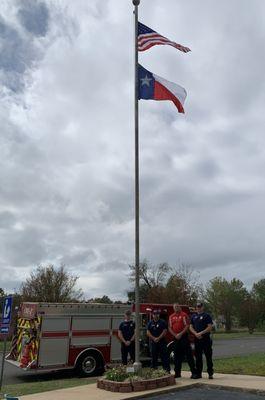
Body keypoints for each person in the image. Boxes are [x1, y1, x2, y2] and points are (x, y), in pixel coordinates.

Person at [169, 303, 197, 378]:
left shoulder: (184, 315)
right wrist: (175, 335)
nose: (176, 308)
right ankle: (177, 373)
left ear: (180, 307)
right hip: (176, 338)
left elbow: (187, 326)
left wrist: (180, 334)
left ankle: (193, 373)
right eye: (175, 307)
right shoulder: (171, 317)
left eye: (177, 306)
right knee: (177, 356)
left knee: (189, 355)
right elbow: (170, 327)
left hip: (184, 337)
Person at [190, 302, 214, 379]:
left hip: (205, 339)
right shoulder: (193, 316)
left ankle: (210, 373)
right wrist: (196, 334)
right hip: (197, 339)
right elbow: (190, 327)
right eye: (197, 306)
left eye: (200, 306)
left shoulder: (207, 316)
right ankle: (198, 373)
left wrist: (201, 333)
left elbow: (209, 327)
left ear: (203, 307)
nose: (198, 308)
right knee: (198, 357)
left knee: (208, 356)